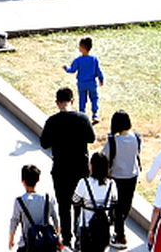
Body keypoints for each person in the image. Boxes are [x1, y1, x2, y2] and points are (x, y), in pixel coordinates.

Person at [39, 87, 96, 238]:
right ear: (72, 101)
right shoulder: (82, 118)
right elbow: (92, 138)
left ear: (57, 102)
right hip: (81, 169)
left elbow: (44, 143)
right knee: (80, 205)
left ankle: (66, 237)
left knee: (64, 206)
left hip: (60, 169)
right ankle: (79, 235)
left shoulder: (52, 121)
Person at [102, 112, 140, 247]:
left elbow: (104, 157)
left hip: (117, 177)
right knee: (126, 205)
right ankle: (120, 228)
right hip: (132, 176)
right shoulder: (136, 138)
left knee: (116, 207)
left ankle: (120, 236)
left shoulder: (113, 142)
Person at [71, 152, 116, 252]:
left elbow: (75, 200)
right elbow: (114, 201)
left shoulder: (84, 183)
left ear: (91, 166)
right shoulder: (111, 184)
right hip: (103, 228)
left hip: (87, 229)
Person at [9, 163, 58, 252]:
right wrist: (58, 238)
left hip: (27, 244)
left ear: (22, 181)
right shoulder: (48, 198)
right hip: (46, 243)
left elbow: (14, 221)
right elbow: (55, 219)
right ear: (38, 180)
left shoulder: (20, 201)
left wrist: (11, 238)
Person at [64, 36, 104, 122]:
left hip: (81, 83)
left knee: (82, 99)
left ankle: (82, 114)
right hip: (92, 83)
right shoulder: (94, 59)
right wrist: (101, 79)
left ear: (82, 48)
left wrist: (66, 68)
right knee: (94, 98)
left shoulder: (78, 60)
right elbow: (98, 70)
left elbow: (72, 70)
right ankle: (95, 114)